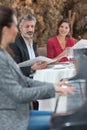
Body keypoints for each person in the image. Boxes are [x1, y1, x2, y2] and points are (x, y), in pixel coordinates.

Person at [0, 5, 74, 130]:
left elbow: (25, 81)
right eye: (14, 26)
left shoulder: (4, 53)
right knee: (64, 122)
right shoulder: (2, 58)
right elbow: (19, 93)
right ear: (6, 30)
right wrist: (52, 89)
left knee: (63, 117)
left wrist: (54, 85)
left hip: (19, 113)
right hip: (12, 120)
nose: (17, 31)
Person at [10, 14, 47, 110]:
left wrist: (42, 63)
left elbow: (35, 61)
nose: (30, 29)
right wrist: (31, 68)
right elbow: (14, 69)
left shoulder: (33, 44)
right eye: (27, 26)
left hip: (36, 76)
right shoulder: (15, 44)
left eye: (32, 26)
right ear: (20, 28)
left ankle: (47, 114)